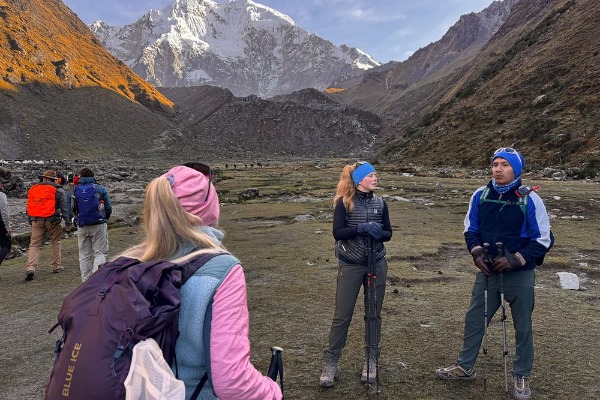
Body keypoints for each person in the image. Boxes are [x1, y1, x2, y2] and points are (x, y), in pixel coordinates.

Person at [118, 164, 282, 400]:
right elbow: (232, 381)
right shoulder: (222, 270)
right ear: (209, 208)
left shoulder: (129, 263)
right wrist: (272, 392)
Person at [435, 147, 554, 400]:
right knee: (475, 318)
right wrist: (477, 254)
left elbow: (543, 239)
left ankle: (521, 375)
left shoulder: (530, 199)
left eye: (505, 165)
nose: (498, 169)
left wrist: (516, 259)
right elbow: (471, 229)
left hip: (520, 273)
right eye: (495, 164)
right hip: (488, 270)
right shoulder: (481, 195)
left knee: (523, 326)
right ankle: (465, 366)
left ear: (516, 170)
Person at [320, 161, 393, 387]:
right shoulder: (344, 203)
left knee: (373, 314)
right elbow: (338, 232)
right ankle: (331, 363)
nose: (375, 178)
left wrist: (379, 233)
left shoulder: (381, 203)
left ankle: (371, 361)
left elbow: (389, 233)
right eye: (371, 175)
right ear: (360, 180)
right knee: (342, 315)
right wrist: (361, 228)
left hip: (376, 264)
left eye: (375, 174)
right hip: (351, 265)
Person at [25, 169, 72, 280]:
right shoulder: (58, 190)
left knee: (34, 244)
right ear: (54, 179)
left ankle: (30, 267)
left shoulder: (34, 189)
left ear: (44, 178)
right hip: (53, 220)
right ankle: (56, 265)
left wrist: (30, 220)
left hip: (36, 219)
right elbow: (64, 208)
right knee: (56, 241)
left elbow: (29, 206)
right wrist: (68, 222)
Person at [71, 167, 112, 282]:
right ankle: (97, 280)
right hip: (98, 224)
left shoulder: (75, 190)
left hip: (82, 225)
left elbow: (71, 209)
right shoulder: (100, 189)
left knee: (84, 255)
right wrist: (105, 218)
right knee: (100, 252)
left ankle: (85, 282)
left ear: (81, 177)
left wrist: (75, 220)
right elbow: (108, 207)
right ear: (93, 177)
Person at [0, 167, 12, 267]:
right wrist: (8, 227)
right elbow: (4, 212)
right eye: (2, 183)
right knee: (6, 245)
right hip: (0, 224)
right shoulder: (1, 195)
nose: (3, 186)